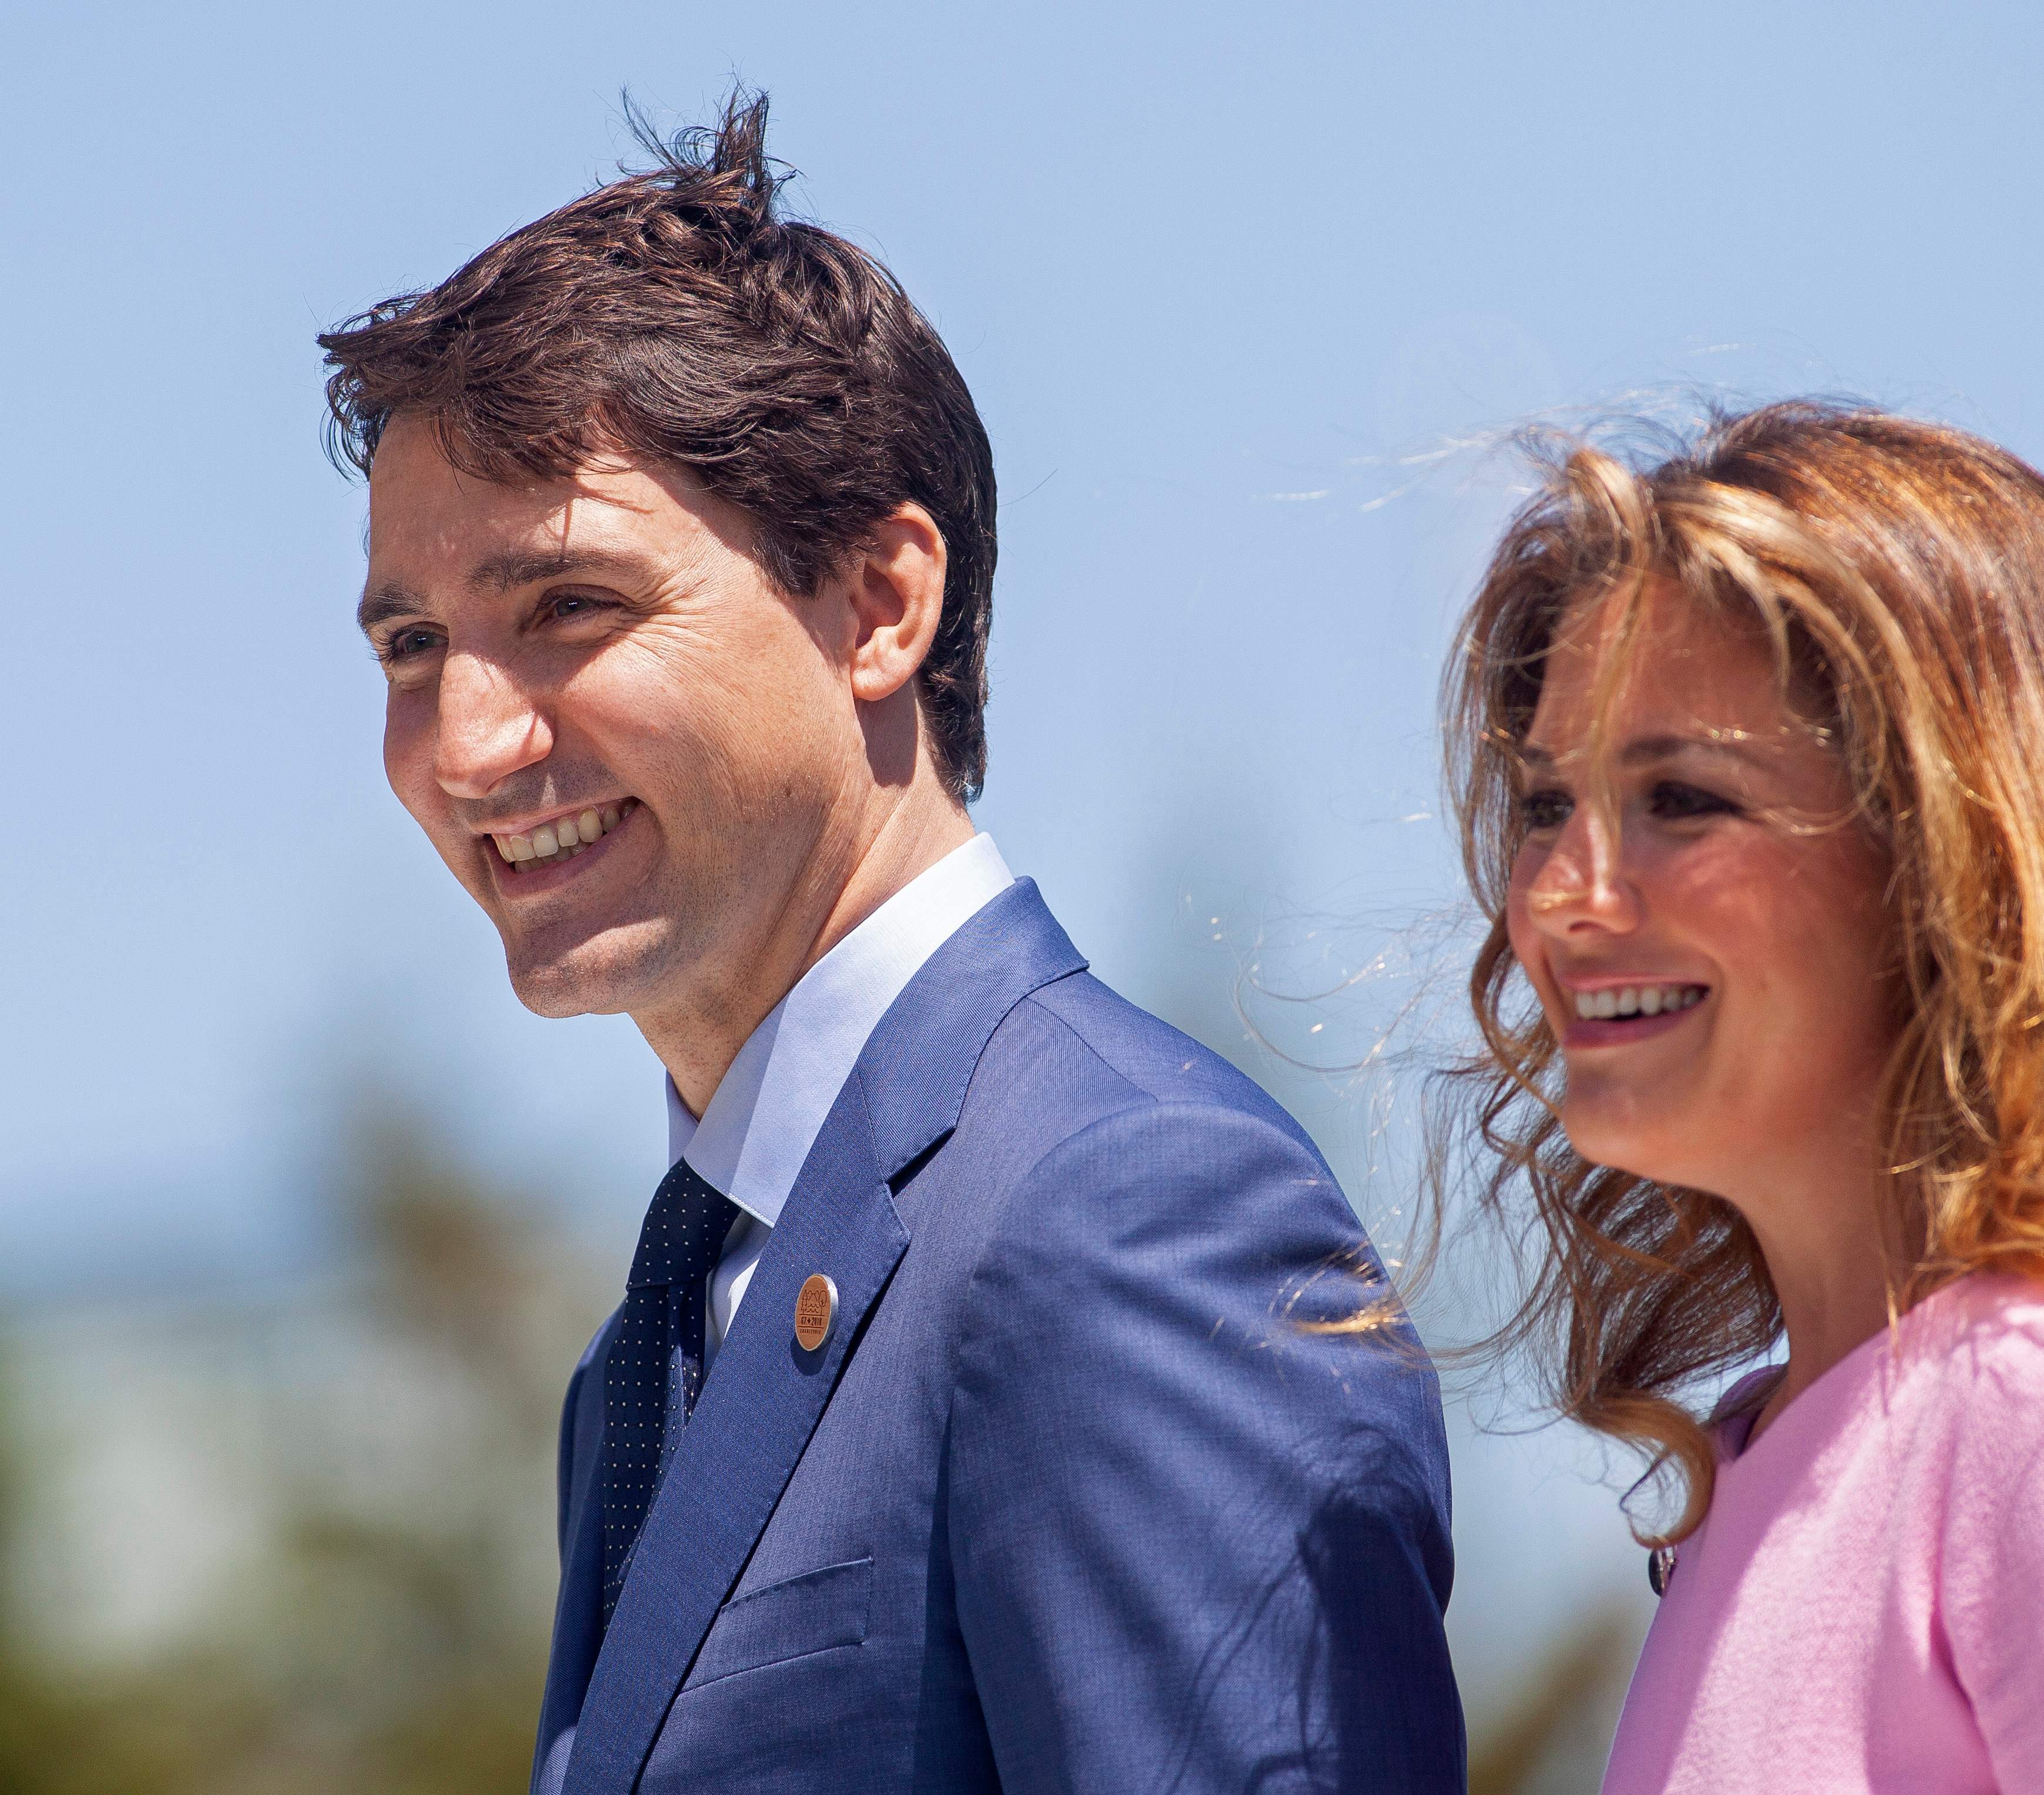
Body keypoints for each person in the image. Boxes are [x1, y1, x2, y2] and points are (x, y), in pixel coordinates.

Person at [321, 93, 1464, 1795]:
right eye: (413, 645)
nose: (467, 743)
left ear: (879, 606)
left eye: (568, 607)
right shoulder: (645, 1363)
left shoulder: (1119, 1211)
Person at [1432, 402, 2044, 1791]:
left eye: (1679, 799)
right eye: (1546, 807)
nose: (1558, 899)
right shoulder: (1783, 1452)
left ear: (1956, 858)